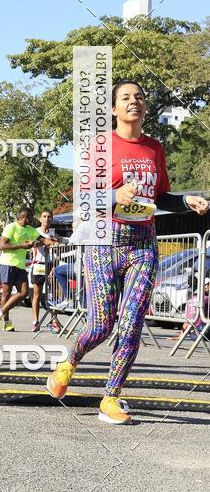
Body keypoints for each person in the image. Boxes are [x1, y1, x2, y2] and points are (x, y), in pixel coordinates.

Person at [47, 80, 209, 424]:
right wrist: (113, 197)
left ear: (145, 107)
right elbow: (84, 197)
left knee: (133, 321)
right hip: (104, 242)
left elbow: (160, 197)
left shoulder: (154, 148)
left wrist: (186, 200)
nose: (134, 101)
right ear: (113, 108)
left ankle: (111, 397)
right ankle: (69, 363)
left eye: (139, 97)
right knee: (101, 325)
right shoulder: (100, 146)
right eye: (125, 97)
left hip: (143, 244)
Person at [0, 207, 53, 332]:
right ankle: (6, 323)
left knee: (24, 292)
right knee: (6, 293)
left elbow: (42, 240)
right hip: (7, 263)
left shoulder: (30, 230)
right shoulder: (11, 227)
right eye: (31, 217)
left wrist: (53, 241)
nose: (32, 219)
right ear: (25, 217)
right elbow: (2, 245)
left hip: (20, 265)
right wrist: (22, 245)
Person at [31, 209, 69, 333]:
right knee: (37, 295)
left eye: (49, 217)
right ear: (40, 219)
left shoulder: (54, 233)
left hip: (52, 265)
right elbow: (38, 243)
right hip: (39, 265)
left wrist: (54, 266)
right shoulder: (35, 232)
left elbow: (63, 246)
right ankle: (35, 321)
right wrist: (49, 243)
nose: (47, 219)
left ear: (52, 219)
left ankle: (54, 320)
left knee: (54, 294)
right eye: (44, 216)